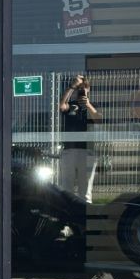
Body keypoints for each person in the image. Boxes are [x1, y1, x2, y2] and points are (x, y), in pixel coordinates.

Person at [57, 74, 101, 202]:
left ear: (88, 89)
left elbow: (98, 119)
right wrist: (71, 87)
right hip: (69, 150)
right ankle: (66, 218)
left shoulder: (93, 106)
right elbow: (61, 106)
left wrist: (88, 105)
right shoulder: (71, 105)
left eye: (83, 88)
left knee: (85, 191)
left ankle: (84, 219)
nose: (80, 92)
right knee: (66, 190)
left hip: (87, 152)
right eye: (78, 89)